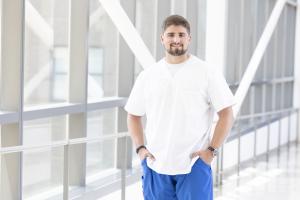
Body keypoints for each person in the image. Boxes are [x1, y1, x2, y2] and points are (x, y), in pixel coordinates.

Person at [124, 15, 235, 200]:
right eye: (171, 35)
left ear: (189, 38)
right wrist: (140, 149)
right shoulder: (148, 76)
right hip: (155, 164)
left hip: (194, 165)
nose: (176, 40)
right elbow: (133, 115)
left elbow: (226, 113)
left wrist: (211, 151)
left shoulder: (207, 72)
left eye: (182, 35)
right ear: (162, 39)